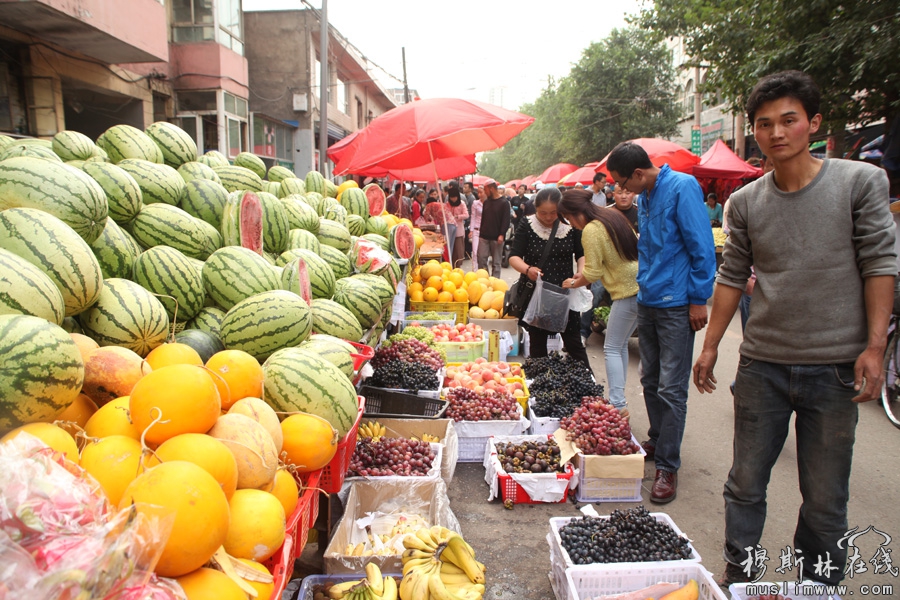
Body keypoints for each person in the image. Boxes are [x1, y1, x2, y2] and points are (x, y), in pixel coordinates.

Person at [691, 70, 896, 587]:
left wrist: (875, 346)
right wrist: (711, 346)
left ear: (813, 124)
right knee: (744, 483)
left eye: (788, 120)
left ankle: (817, 586)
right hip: (764, 365)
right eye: (764, 124)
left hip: (834, 367)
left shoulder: (859, 182)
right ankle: (740, 576)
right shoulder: (746, 202)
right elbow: (732, 275)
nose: (776, 133)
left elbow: (880, 263)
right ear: (755, 132)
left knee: (826, 496)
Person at [607, 141, 716, 504]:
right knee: (650, 377)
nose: (621, 190)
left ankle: (668, 466)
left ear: (639, 173)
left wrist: (699, 298)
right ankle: (657, 438)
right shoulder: (647, 196)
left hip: (676, 303)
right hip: (648, 299)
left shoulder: (682, 187)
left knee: (672, 386)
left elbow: (700, 245)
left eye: (623, 182)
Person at [558, 189, 639, 416]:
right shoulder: (611, 216)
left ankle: (617, 405)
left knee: (612, 347)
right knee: (620, 344)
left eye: (569, 219)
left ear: (575, 213)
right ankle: (618, 401)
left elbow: (592, 272)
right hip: (641, 286)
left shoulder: (591, 230)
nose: (571, 225)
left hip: (627, 290)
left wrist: (573, 283)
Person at [509, 187, 590, 369]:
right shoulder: (527, 225)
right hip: (537, 294)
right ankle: (540, 386)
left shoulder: (570, 226)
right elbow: (514, 257)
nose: (548, 217)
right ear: (535, 209)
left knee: (573, 342)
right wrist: (527, 269)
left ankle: (588, 386)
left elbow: (581, 254)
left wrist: (581, 272)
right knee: (537, 343)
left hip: (564, 292)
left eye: (553, 212)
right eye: (542, 213)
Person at [476, 182, 510, 278]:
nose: (485, 192)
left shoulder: (504, 203)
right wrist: (480, 232)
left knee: (496, 262)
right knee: (481, 259)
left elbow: (506, 220)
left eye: (485, 190)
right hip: (484, 236)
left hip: (497, 237)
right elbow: (483, 218)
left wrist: (502, 234)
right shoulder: (487, 202)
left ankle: (495, 282)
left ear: (491, 189)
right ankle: (483, 279)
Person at [446, 185, 469, 268]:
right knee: (451, 250)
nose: (453, 199)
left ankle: (458, 266)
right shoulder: (447, 204)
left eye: (455, 197)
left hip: (459, 230)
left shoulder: (462, 203)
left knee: (459, 251)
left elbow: (466, 215)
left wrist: (457, 217)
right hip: (449, 231)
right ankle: (450, 266)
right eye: (452, 197)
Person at [469, 186, 485, 270]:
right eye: (478, 192)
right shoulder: (475, 203)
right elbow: (473, 216)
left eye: (481, 192)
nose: (479, 194)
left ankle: (482, 270)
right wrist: (471, 230)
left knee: (482, 254)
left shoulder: (489, 203)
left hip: (485, 231)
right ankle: (474, 270)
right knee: (475, 252)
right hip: (476, 229)